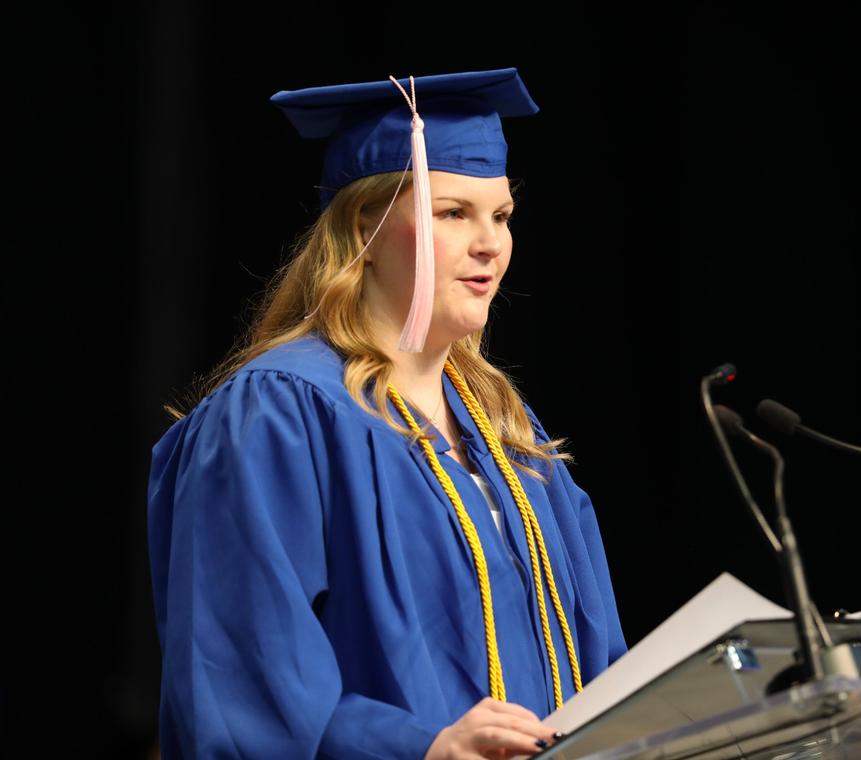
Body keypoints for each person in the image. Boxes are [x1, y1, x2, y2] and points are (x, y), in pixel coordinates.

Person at [146, 67, 628, 760]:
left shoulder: (505, 424)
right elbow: (241, 690)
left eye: (501, 215)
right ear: (366, 225)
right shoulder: (282, 413)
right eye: (452, 212)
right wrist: (421, 748)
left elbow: (600, 661)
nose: (489, 243)